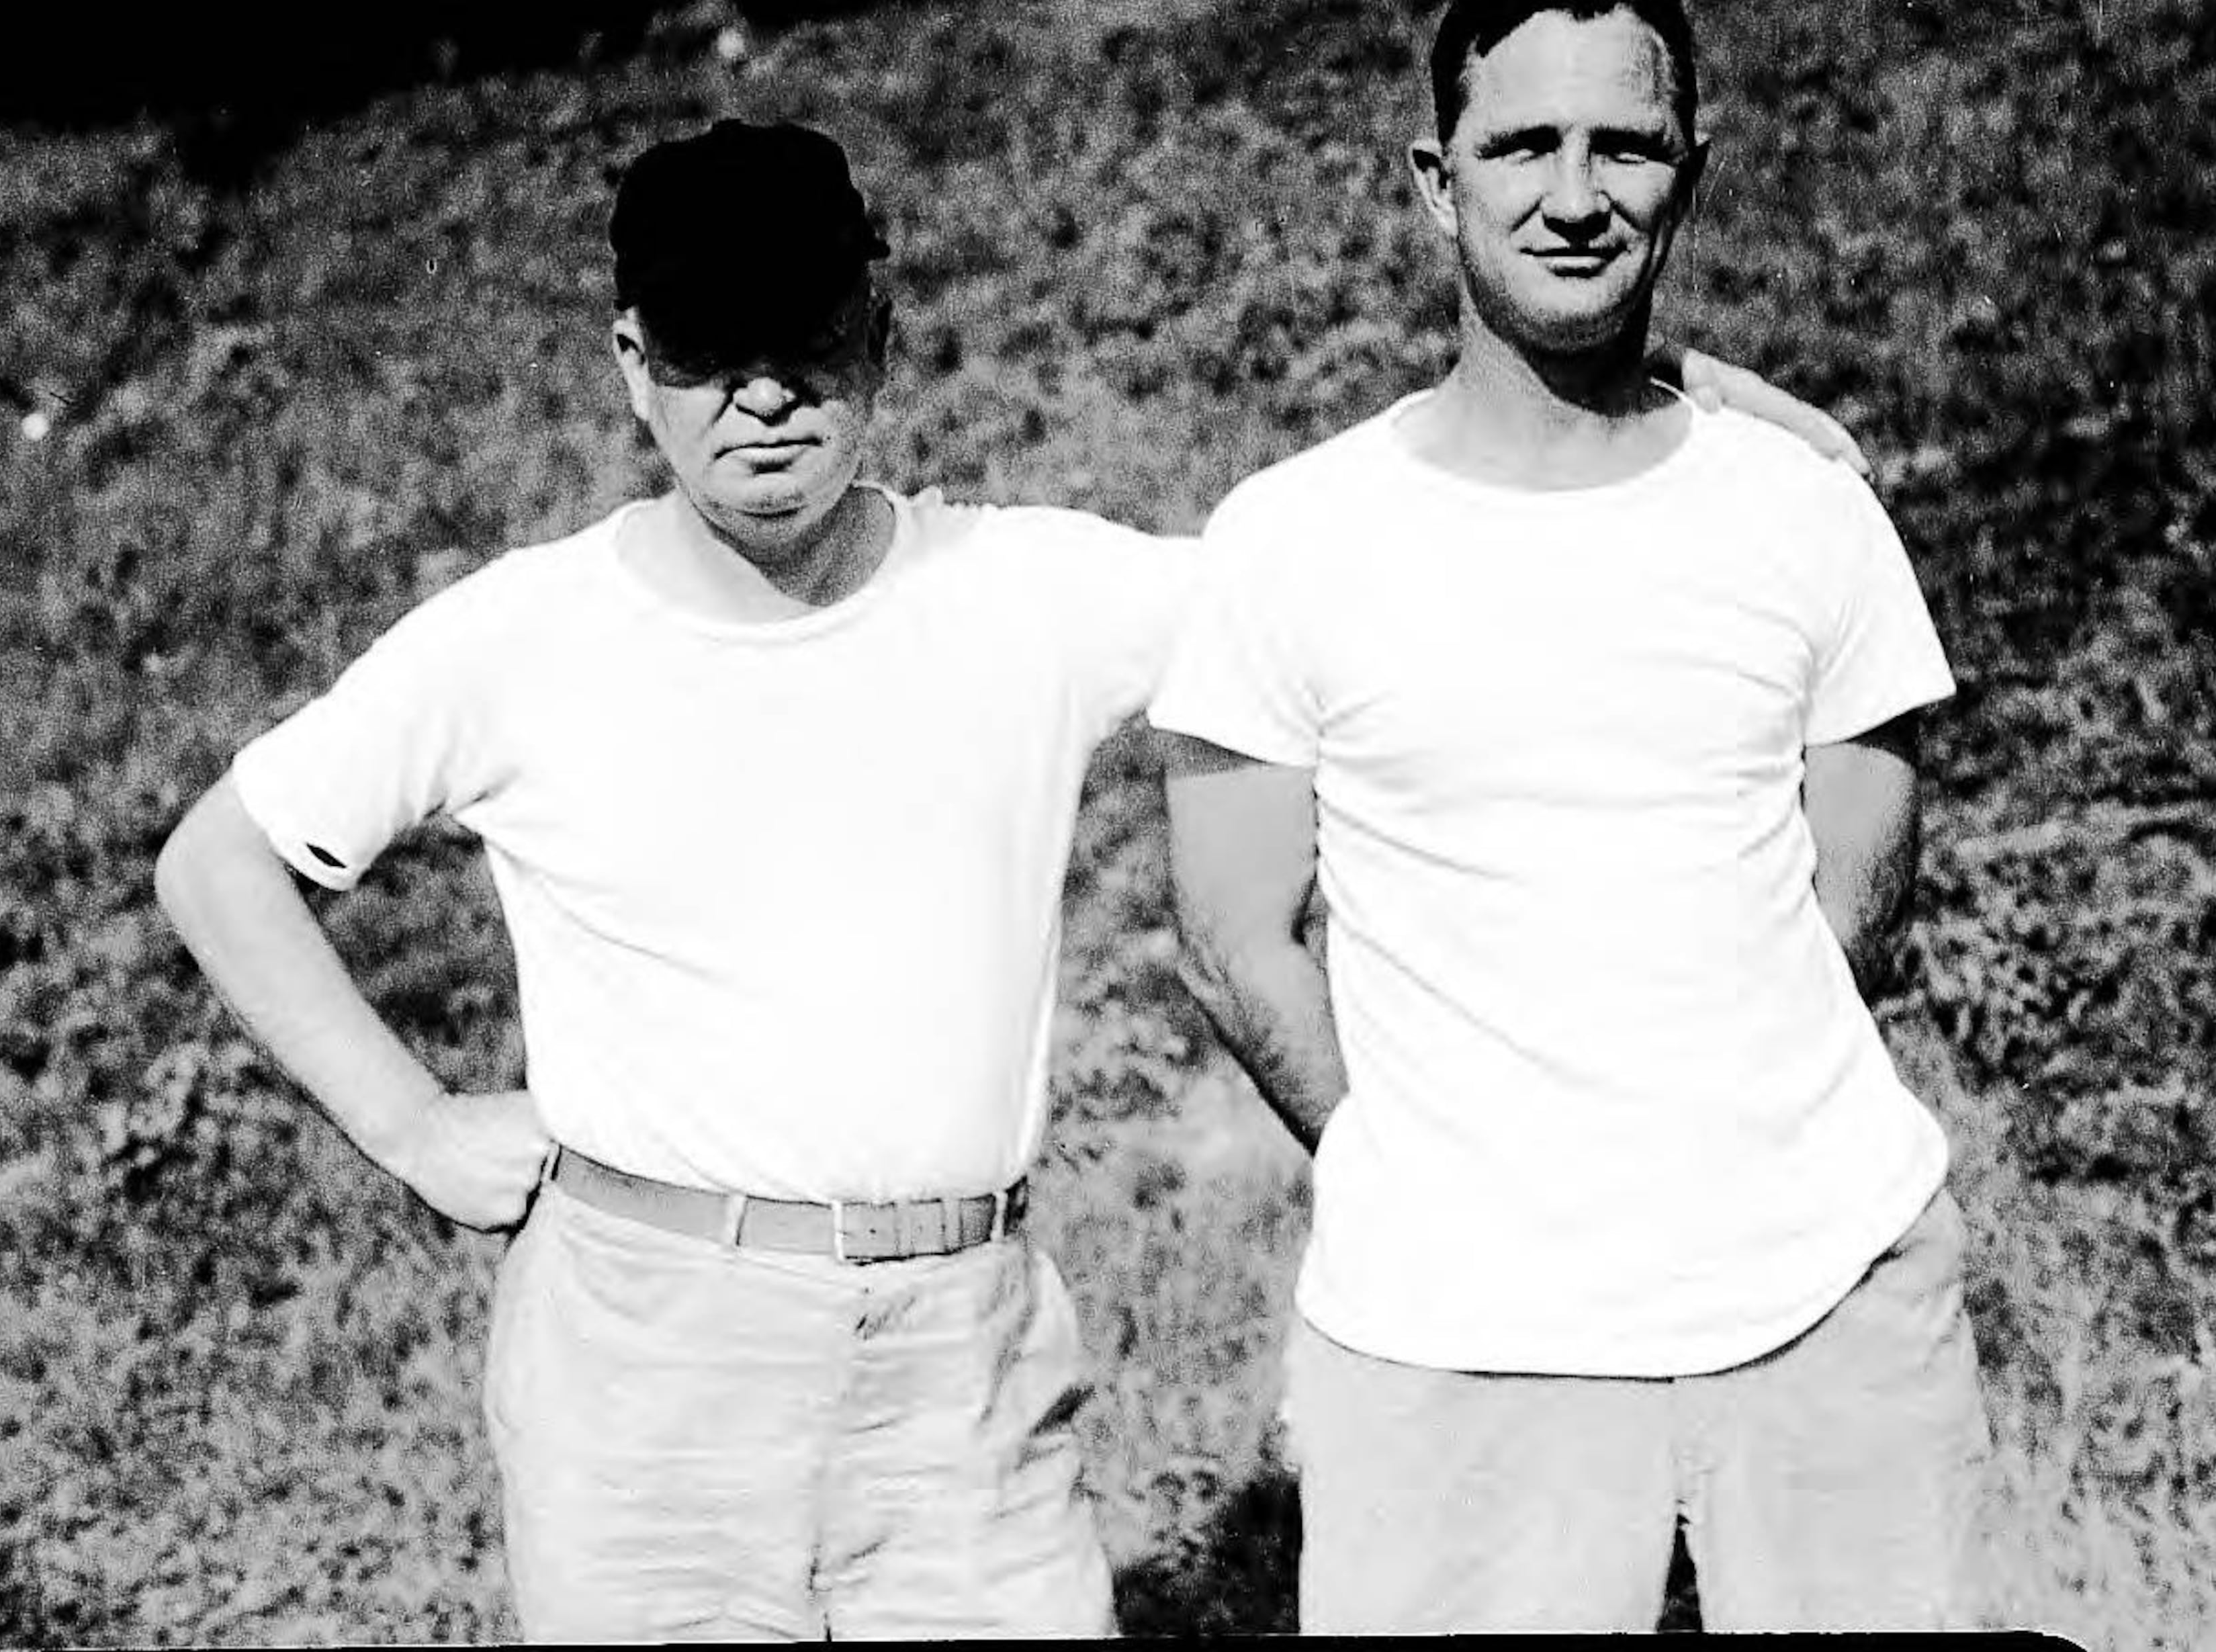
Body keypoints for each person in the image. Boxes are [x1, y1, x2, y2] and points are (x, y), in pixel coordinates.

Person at [152, 114, 1864, 1641]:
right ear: (629, 363)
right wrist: (412, 1124)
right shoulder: (523, 637)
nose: (761, 391)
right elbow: (221, 862)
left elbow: (1370, 585)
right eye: (704, 346)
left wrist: (1660, 417)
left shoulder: (1026, 595)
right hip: (650, 1363)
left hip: (964, 1360)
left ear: (879, 332)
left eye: (806, 336)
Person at [1152, 0, 1990, 1636]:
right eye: (1523, 144)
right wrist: (1416, 1167)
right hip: (1457, 1334)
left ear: (1693, 169)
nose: (1577, 195)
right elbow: (1235, 932)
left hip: (1825, 1305)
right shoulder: (1296, 537)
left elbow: (1854, 903)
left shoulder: (1805, 508)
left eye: (1628, 147)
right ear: (1433, 178)